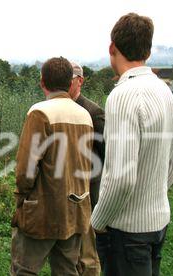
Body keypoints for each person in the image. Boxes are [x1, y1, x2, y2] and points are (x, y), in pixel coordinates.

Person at [91, 13, 173, 276]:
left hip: (127, 232)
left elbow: (121, 177)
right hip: (158, 223)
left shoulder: (122, 96)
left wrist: (98, 221)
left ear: (112, 48)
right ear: (148, 51)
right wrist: (151, 199)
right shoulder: (165, 92)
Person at [11, 57, 94, 275]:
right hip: (75, 210)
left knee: (24, 270)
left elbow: (26, 168)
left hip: (42, 211)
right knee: (67, 270)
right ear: (70, 83)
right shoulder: (85, 115)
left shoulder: (40, 112)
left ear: (42, 83)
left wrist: (21, 197)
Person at [69, 62, 105, 276]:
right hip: (64, 191)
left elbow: (104, 154)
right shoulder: (56, 108)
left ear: (80, 80)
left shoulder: (93, 111)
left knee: (88, 253)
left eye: (69, 79)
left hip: (88, 190)